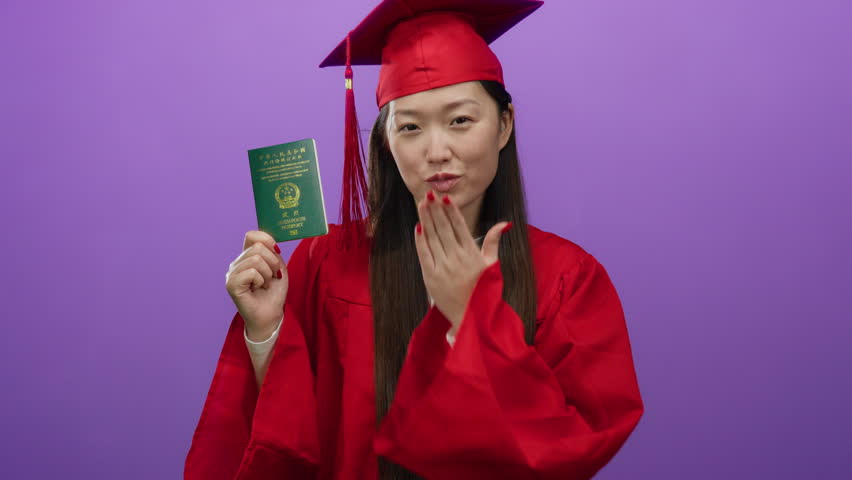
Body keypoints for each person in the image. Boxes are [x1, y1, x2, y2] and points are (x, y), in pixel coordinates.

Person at [185, 0, 644, 478]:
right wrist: (267, 333)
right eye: (410, 127)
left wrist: (473, 319)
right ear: (386, 141)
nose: (437, 151)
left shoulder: (568, 279)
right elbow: (295, 440)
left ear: (504, 124)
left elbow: (570, 451)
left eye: (460, 120)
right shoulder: (329, 262)